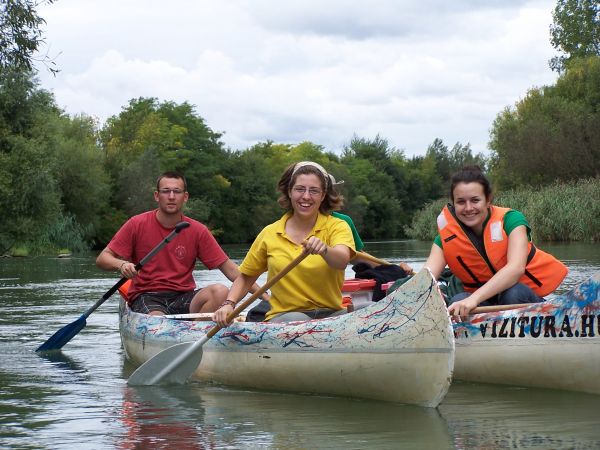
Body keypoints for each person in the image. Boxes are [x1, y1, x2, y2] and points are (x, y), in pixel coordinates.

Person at [96, 171, 266, 316]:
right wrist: (122, 264)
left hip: (183, 296)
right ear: (157, 196)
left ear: (185, 197)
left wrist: (266, 297)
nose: (171, 196)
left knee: (221, 291)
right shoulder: (136, 224)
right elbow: (103, 258)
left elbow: (231, 270)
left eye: (176, 192)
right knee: (157, 321)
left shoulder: (197, 230)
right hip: (147, 296)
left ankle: (195, 334)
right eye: (166, 191)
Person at [213, 161, 356, 326]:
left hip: (331, 315)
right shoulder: (270, 233)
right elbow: (246, 277)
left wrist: (325, 249)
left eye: (314, 191)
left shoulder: (337, 226)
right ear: (289, 192)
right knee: (296, 319)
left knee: (369, 309)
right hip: (287, 317)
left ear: (323, 195)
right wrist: (228, 304)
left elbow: (342, 261)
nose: (306, 196)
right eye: (300, 189)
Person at [424, 165, 568, 317]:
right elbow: (426, 277)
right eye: (461, 202)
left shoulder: (512, 220)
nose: (468, 208)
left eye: (475, 200)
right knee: (459, 300)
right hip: (483, 304)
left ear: (488, 200)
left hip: (520, 298)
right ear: (453, 203)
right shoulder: (445, 239)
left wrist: (474, 298)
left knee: (513, 294)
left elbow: (516, 268)